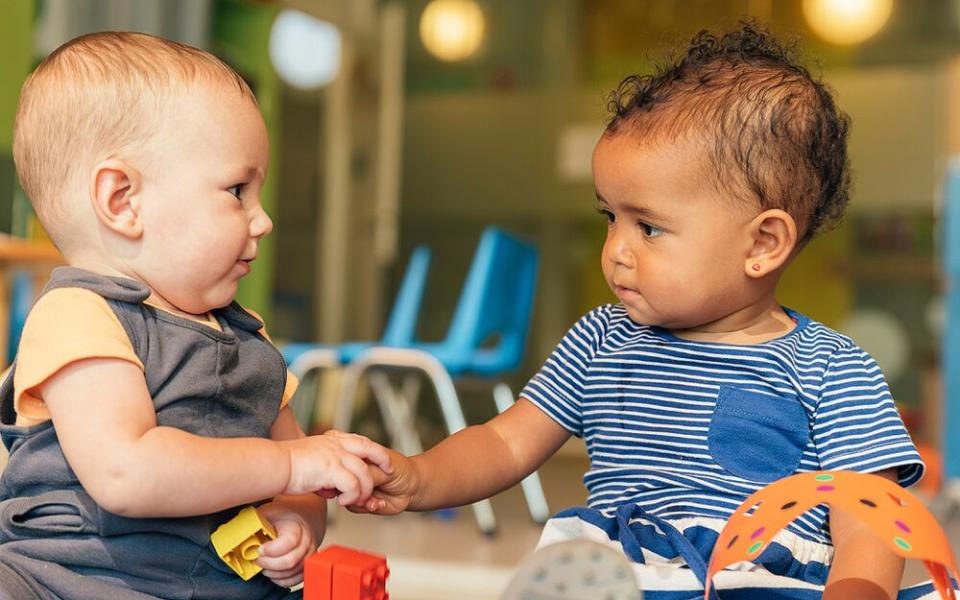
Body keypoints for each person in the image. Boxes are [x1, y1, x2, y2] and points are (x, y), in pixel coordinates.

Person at [362, 24, 929, 600]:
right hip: (618, 580)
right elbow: (505, 444)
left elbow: (870, 515)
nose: (616, 251)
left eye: (649, 227)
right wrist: (421, 476)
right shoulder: (601, 340)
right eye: (610, 217)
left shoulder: (832, 368)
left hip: (760, 582)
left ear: (761, 245)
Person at [0, 31, 392, 600]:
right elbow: (126, 472)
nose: (262, 221)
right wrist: (288, 467)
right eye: (237, 191)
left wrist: (297, 519)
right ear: (123, 202)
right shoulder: (78, 317)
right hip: (67, 583)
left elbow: (299, 476)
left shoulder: (248, 339)